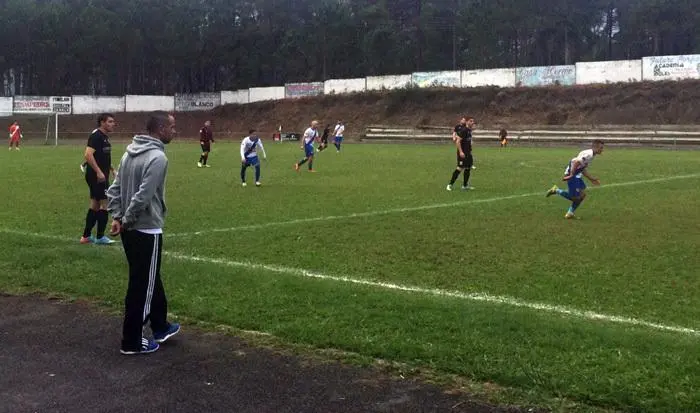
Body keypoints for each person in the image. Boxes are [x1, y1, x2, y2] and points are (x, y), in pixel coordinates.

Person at [106, 111, 180, 355]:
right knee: (142, 286)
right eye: (172, 127)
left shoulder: (129, 153)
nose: (174, 131)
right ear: (160, 129)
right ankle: (132, 341)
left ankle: (160, 326)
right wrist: (126, 219)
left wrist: (117, 217)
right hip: (146, 229)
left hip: (129, 229)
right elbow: (143, 196)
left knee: (149, 277)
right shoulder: (158, 157)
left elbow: (114, 189)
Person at [80, 114, 117, 245]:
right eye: (110, 121)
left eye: (113, 121)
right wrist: (99, 172)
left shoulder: (104, 137)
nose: (113, 124)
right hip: (97, 177)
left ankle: (86, 236)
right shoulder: (96, 136)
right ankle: (100, 237)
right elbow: (88, 155)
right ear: (102, 122)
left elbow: (102, 157)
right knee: (105, 204)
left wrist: (112, 169)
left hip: (100, 175)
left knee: (95, 205)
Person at [546, 140, 605, 219]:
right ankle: (556, 190)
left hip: (576, 174)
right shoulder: (589, 154)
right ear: (595, 147)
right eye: (601, 148)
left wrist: (592, 179)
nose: (602, 150)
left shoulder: (592, 155)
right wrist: (571, 174)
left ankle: (570, 213)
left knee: (582, 195)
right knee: (575, 198)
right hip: (572, 173)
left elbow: (582, 168)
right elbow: (576, 162)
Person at [446, 116, 476, 191]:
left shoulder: (469, 131)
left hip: (468, 153)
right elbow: (458, 141)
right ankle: (450, 185)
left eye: (473, 121)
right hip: (462, 153)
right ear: (467, 122)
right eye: (471, 121)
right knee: (459, 168)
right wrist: (461, 152)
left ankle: (465, 186)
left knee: (468, 168)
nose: (473, 122)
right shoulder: (464, 130)